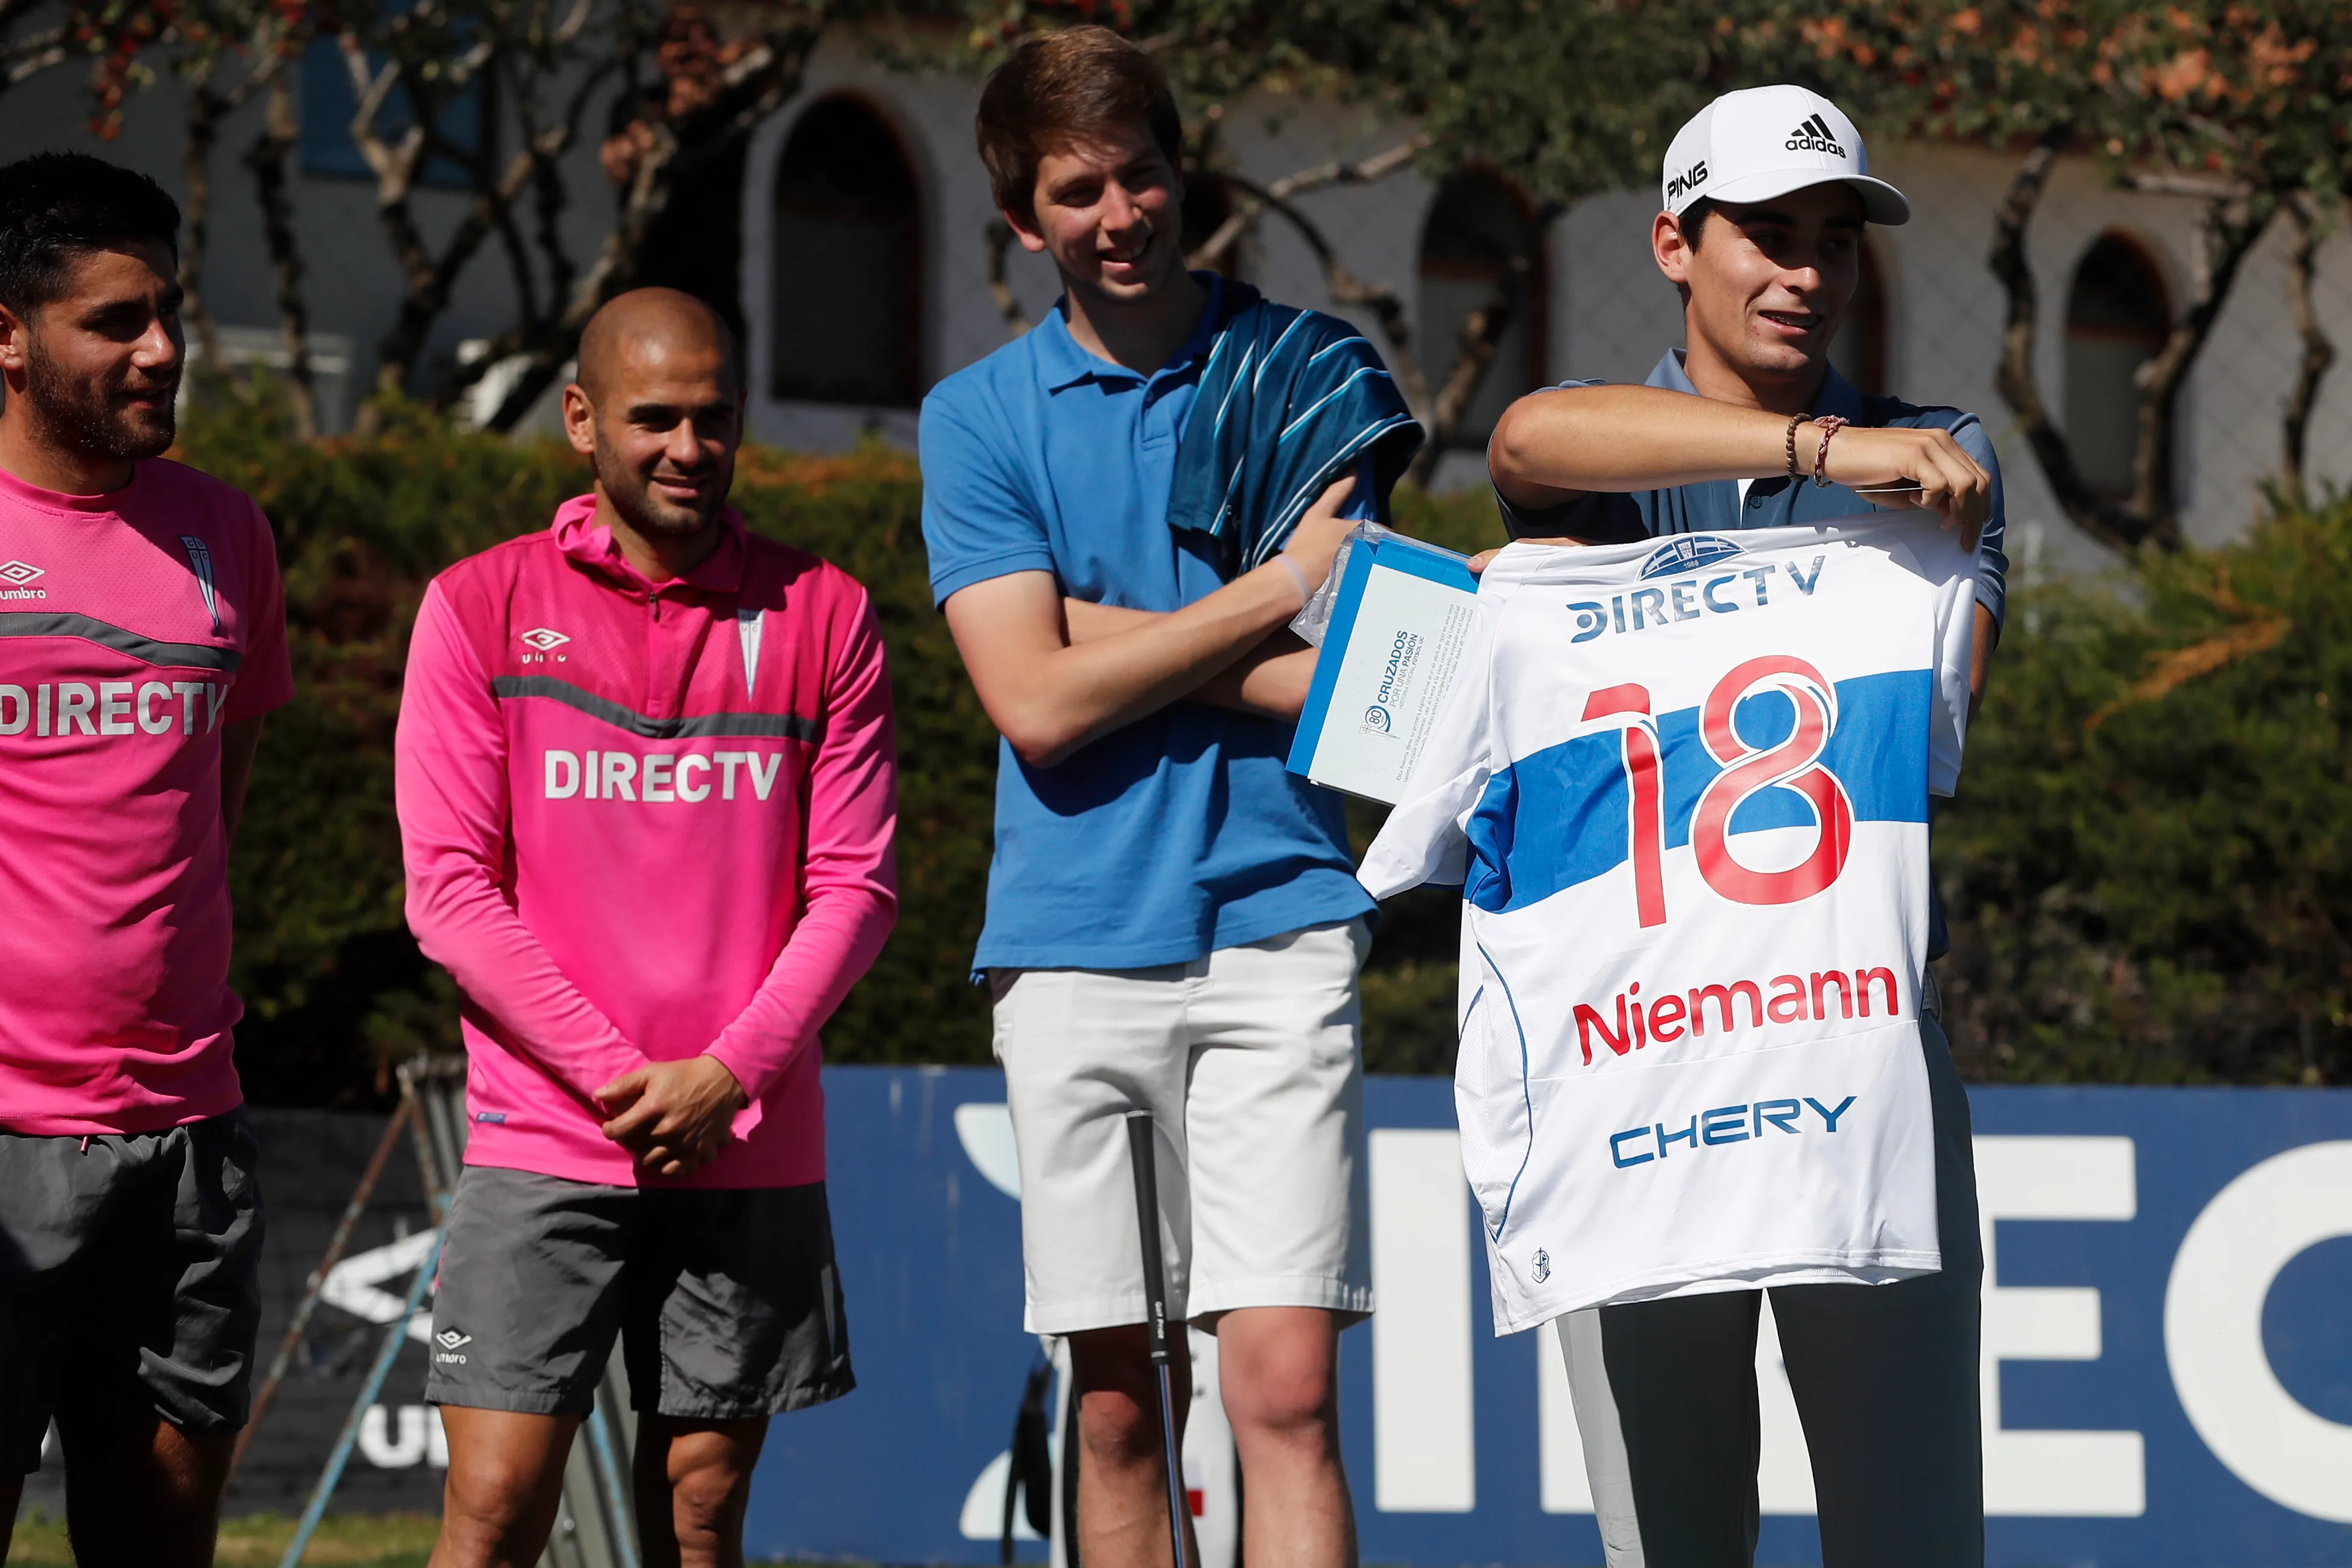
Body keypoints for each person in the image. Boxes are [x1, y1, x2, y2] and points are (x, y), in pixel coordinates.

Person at [1482, 84, 2005, 1567]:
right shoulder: (1603, 452)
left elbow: (1942, 716)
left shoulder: (1940, 454)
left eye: (1835, 239)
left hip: (1863, 1059)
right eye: (1768, 235)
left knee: (1912, 1542)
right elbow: (1527, 436)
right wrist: (1817, 452)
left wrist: (1862, 462)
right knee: (1672, 1543)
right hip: (1630, 1071)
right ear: (1674, 244)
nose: (1807, 272)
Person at [919, 27, 1422, 1568]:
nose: (1119, 215)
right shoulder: (976, 416)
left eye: (1140, 175)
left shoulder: (1307, 370)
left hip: (1282, 919)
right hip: (1072, 939)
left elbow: (1363, 691)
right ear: (1023, 221)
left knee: (1288, 1396)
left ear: (1183, 172)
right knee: (1121, 1408)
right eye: (1077, 192)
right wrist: (1266, 592)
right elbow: (1034, 709)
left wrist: (1093, 638)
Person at [395, 288, 899, 1568]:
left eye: (713, 417)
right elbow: (449, 890)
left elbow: (856, 888)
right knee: (495, 1503)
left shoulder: (826, 611)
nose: (688, 446)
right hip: (548, 1128)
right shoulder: (477, 604)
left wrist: (727, 1074)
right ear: (581, 420)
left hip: (747, 1132)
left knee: (701, 1508)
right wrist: (628, 1079)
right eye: (654, 417)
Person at [0, 153, 292, 1568]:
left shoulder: (227, 533)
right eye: (115, 321)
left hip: (186, 1133)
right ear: (7, 335)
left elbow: (214, 802)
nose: (163, 347)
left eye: (168, 310)